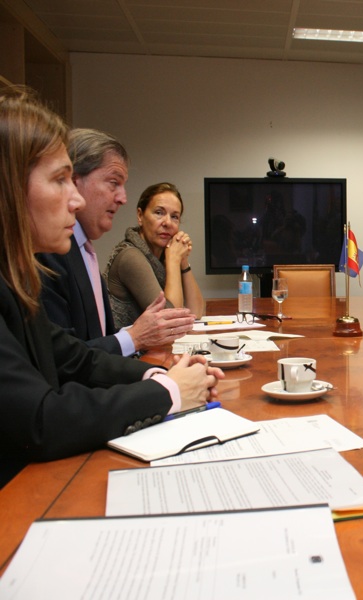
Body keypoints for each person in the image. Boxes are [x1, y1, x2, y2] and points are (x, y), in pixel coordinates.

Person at [0, 87, 223, 487]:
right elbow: (40, 420)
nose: (74, 200)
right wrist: (169, 392)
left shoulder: (13, 278)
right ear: (9, 188)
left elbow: (74, 359)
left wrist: (156, 377)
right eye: (60, 180)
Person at [38, 128, 194, 356]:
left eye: (175, 216)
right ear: (74, 182)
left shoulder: (85, 250)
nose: (123, 198)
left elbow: (195, 313)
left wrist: (154, 377)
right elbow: (63, 360)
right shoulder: (53, 252)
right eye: (113, 183)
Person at [105, 182, 205, 329]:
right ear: (140, 216)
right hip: (123, 351)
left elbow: (197, 313)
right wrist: (173, 260)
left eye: (175, 216)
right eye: (159, 213)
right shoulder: (129, 256)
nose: (167, 223)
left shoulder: (164, 254)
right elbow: (170, 320)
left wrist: (183, 261)